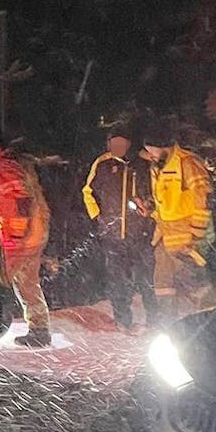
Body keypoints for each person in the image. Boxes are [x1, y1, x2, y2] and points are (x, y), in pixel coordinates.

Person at [82, 127, 158, 331]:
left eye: (120, 143)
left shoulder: (143, 164)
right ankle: (123, 320)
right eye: (112, 144)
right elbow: (88, 191)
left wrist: (149, 208)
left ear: (128, 144)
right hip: (113, 235)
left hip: (142, 233)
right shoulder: (103, 163)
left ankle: (155, 321)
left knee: (148, 280)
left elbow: (159, 191)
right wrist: (97, 217)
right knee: (118, 281)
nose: (116, 147)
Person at [0, 142, 51, 348]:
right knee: (27, 284)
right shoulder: (8, 166)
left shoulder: (7, 167)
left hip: (20, 238)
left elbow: (20, 199)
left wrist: (15, 234)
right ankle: (39, 330)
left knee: (1, 280)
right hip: (32, 234)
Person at [140, 133, 213, 317]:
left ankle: (214, 325)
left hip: (186, 241)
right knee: (162, 285)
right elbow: (166, 201)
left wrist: (196, 235)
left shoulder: (187, 163)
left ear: (164, 146)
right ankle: (169, 326)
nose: (151, 155)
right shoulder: (158, 165)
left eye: (153, 151)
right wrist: (150, 208)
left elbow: (203, 199)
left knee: (197, 287)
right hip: (164, 237)